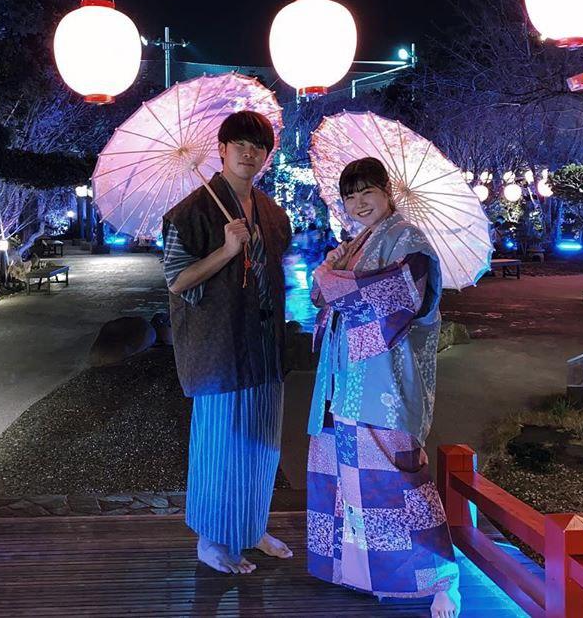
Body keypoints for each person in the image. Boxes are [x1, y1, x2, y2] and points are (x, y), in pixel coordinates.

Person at [306, 157, 460, 618]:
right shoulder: (356, 244)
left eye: (367, 192)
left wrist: (329, 279)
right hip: (344, 379)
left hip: (382, 383)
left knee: (398, 484)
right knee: (348, 484)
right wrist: (331, 270)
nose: (359, 203)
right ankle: (361, 572)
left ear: (388, 190)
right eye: (350, 196)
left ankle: (438, 581)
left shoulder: (408, 239)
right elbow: (324, 302)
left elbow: (394, 300)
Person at [161, 111, 294, 575]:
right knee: (220, 445)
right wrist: (225, 251)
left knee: (261, 445)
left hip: (263, 347)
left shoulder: (273, 214)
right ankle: (213, 539)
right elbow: (177, 281)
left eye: (258, 146)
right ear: (221, 148)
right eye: (239, 143)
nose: (249, 153)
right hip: (219, 349)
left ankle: (252, 526)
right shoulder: (190, 212)